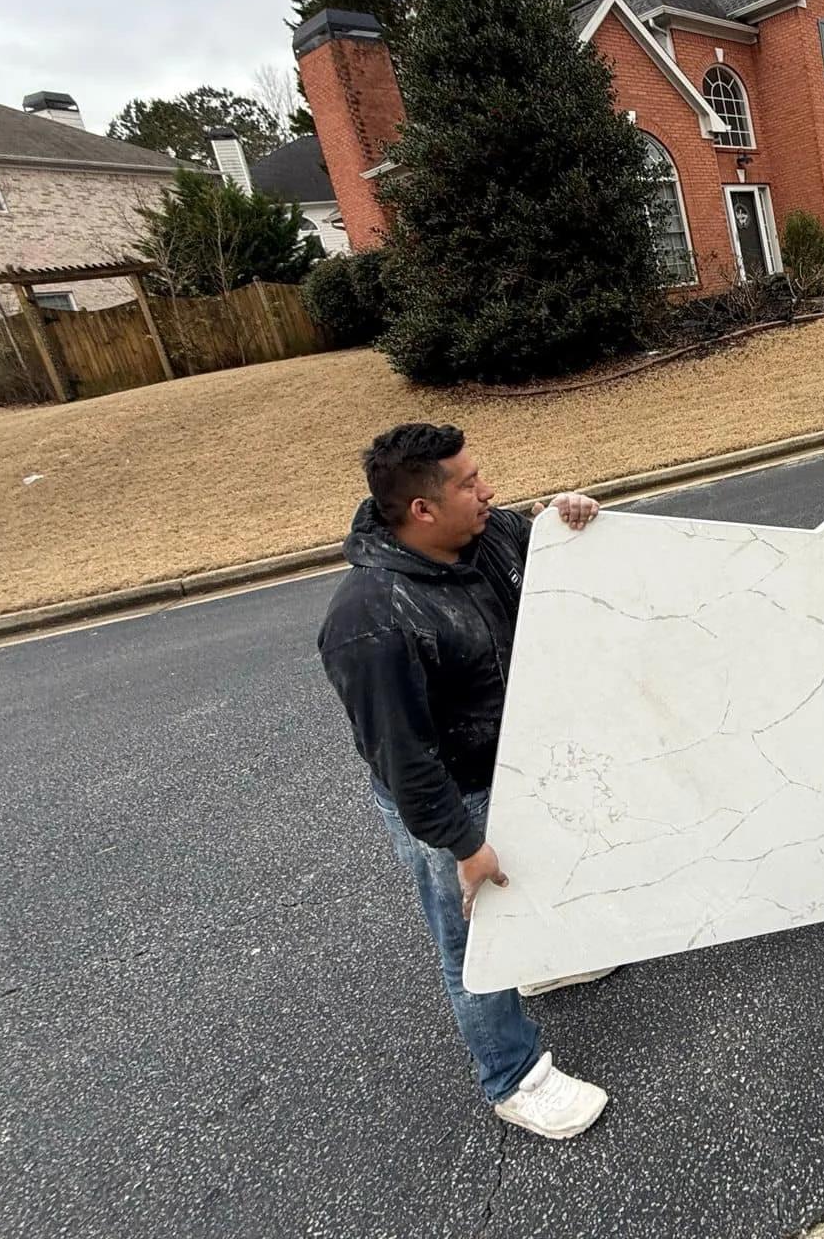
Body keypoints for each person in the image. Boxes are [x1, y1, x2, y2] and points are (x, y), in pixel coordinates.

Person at [317, 422, 609, 1140]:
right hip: (447, 794)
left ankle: (540, 962)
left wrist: (570, 517)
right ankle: (513, 1077)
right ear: (421, 509)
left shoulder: (488, 539)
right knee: (468, 938)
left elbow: (535, 530)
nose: (490, 492)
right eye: (471, 484)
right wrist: (462, 844)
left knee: (532, 881)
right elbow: (403, 758)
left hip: (514, 766)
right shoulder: (372, 619)